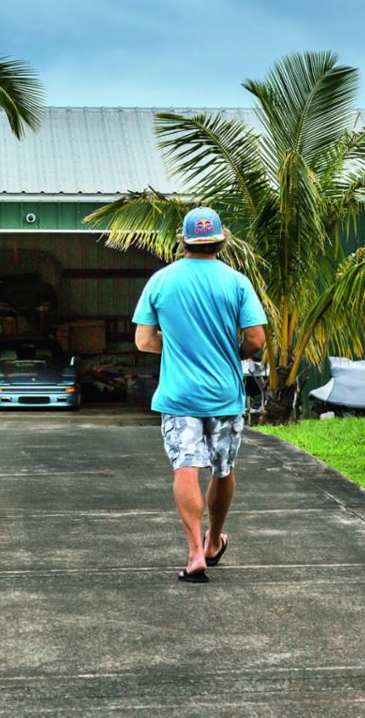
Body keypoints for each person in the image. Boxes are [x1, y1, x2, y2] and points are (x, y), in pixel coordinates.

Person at [132, 207, 267, 583]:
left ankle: (194, 555)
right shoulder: (237, 282)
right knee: (222, 470)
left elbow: (144, 341)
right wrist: (228, 350)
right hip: (225, 394)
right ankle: (213, 541)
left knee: (185, 468)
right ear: (220, 240)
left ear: (184, 240)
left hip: (179, 396)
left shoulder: (161, 281)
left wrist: (177, 347)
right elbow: (255, 339)